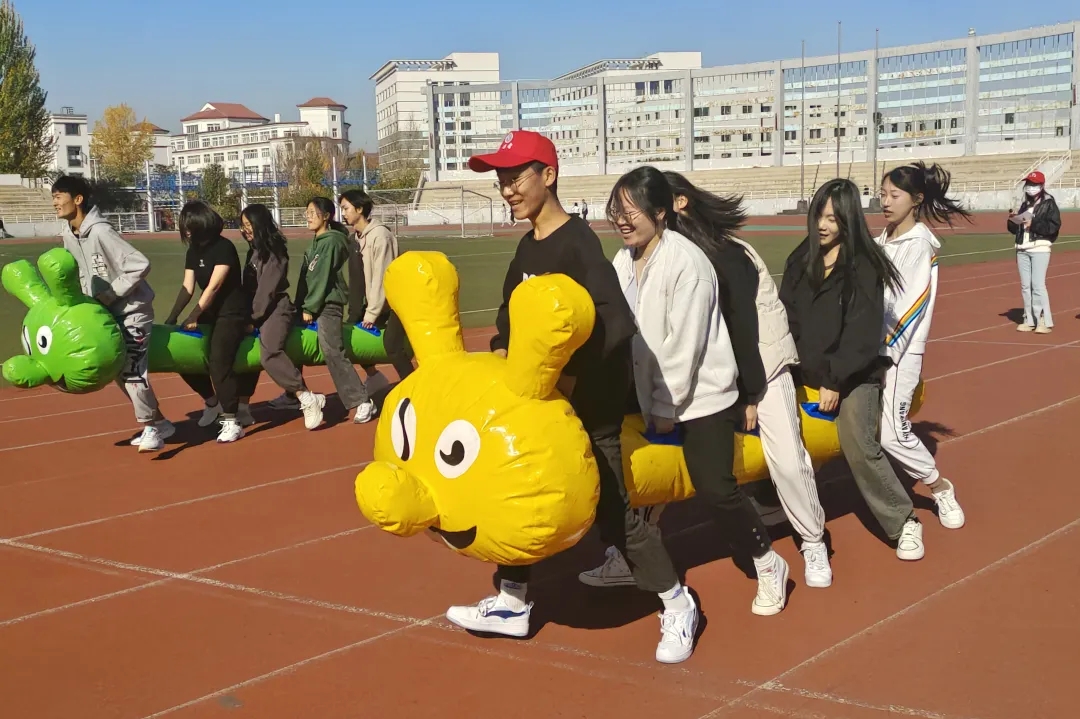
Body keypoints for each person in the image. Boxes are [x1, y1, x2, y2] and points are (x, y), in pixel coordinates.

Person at [446, 131, 698, 665]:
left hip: (590, 410)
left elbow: (615, 325)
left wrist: (569, 382)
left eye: (516, 177)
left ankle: (678, 603)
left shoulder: (577, 243)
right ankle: (512, 601)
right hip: (540, 408)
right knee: (512, 490)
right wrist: (503, 352)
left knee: (612, 511)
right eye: (501, 179)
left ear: (549, 175)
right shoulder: (528, 246)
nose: (506, 189)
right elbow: (509, 318)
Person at [582, 171, 832, 589]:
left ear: (668, 207)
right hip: (677, 381)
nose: (622, 220)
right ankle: (634, 555)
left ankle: (797, 547)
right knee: (650, 471)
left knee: (753, 473)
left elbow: (719, 335)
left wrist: (749, 395)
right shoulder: (634, 257)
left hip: (734, 377)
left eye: (631, 210)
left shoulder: (709, 258)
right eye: (617, 212)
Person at [779, 179, 928, 561]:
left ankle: (903, 519)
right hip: (805, 367)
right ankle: (768, 497)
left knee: (858, 442)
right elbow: (786, 316)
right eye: (819, 215)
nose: (823, 225)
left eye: (833, 218)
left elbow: (861, 333)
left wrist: (834, 380)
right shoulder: (801, 258)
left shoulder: (863, 264)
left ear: (848, 220)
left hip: (853, 373)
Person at [52, 175, 174, 452]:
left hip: (132, 310)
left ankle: (151, 429)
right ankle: (159, 422)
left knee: (132, 369)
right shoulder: (68, 235)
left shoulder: (100, 232)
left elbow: (140, 264)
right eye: (53, 198)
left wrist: (111, 293)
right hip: (104, 314)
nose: (55, 203)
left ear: (78, 199)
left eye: (59, 197)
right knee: (119, 371)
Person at [877, 162, 969, 531]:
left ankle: (939, 487)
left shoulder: (917, 245)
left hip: (897, 354)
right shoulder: (883, 241)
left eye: (894, 195)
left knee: (892, 433)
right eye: (882, 194)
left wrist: (884, 358)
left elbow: (908, 309)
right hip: (871, 350)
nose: (885, 201)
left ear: (915, 200)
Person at [164, 201, 251, 443]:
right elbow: (188, 287)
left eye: (188, 225)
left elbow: (214, 287)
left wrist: (193, 316)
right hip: (209, 311)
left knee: (218, 361)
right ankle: (212, 403)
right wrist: (173, 316)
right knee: (182, 354)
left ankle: (232, 420)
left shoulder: (224, 247)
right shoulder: (193, 250)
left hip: (231, 312)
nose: (185, 231)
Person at [239, 204, 326, 430]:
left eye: (248, 225)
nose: (244, 230)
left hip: (276, 308)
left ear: (259, 224)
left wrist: (252, 318)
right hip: (258, 309)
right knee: (247, 351)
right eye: (243, 225)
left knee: (269, 353)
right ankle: (242, 408)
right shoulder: (253, 251)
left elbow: (267, 290)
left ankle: (305, 396)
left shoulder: (274, 252)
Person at [295, 196, 376, 424]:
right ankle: (292, 394)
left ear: (326, 216)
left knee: (332, 350)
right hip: (312, 303)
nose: (308, 217)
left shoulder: (331, 242)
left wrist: (309, 307)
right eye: (307, 213)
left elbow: (321, 278)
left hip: (327, 305)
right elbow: (306, 278)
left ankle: (361, 400)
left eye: (313, 213)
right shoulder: (316, 242)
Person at [340, 189, 416, 383]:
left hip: (395, 301)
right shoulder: (357, 238)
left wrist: (371, 314)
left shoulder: (380, 236)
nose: (343, 213)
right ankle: (375, 379)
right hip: (378, 302)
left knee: (393, 346)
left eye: (346, 208)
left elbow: (382, 277)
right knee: (352, 339)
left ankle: (416, 387)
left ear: (359, 209)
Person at [1007, 171, 1061, 334]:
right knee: (1025, 286)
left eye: (1034, 184)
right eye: (1028, 184)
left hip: (1039, 248)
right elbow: (1015, 229)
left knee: (1037, 285)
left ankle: (1042, 320)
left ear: (1041, 186)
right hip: (1022, 248)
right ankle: (1029, 319)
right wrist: (1012, 219)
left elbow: (1054, 227)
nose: (1030, 187)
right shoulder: (1024, 204)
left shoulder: (1049, 203)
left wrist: (1034, 224)